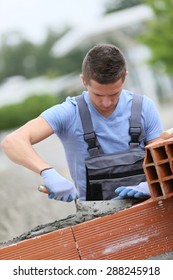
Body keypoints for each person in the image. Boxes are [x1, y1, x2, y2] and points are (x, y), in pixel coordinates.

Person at [1, 44, 163, 202]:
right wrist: (47, 172)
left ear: (124, 77)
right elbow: (12, 142)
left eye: (114, 94)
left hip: (150, 205)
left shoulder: (143, 107)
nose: (106, 103)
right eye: (98, 94)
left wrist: (152, 185)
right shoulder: (69, 112)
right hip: (95, 218)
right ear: (84, 81)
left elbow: (161, 160)